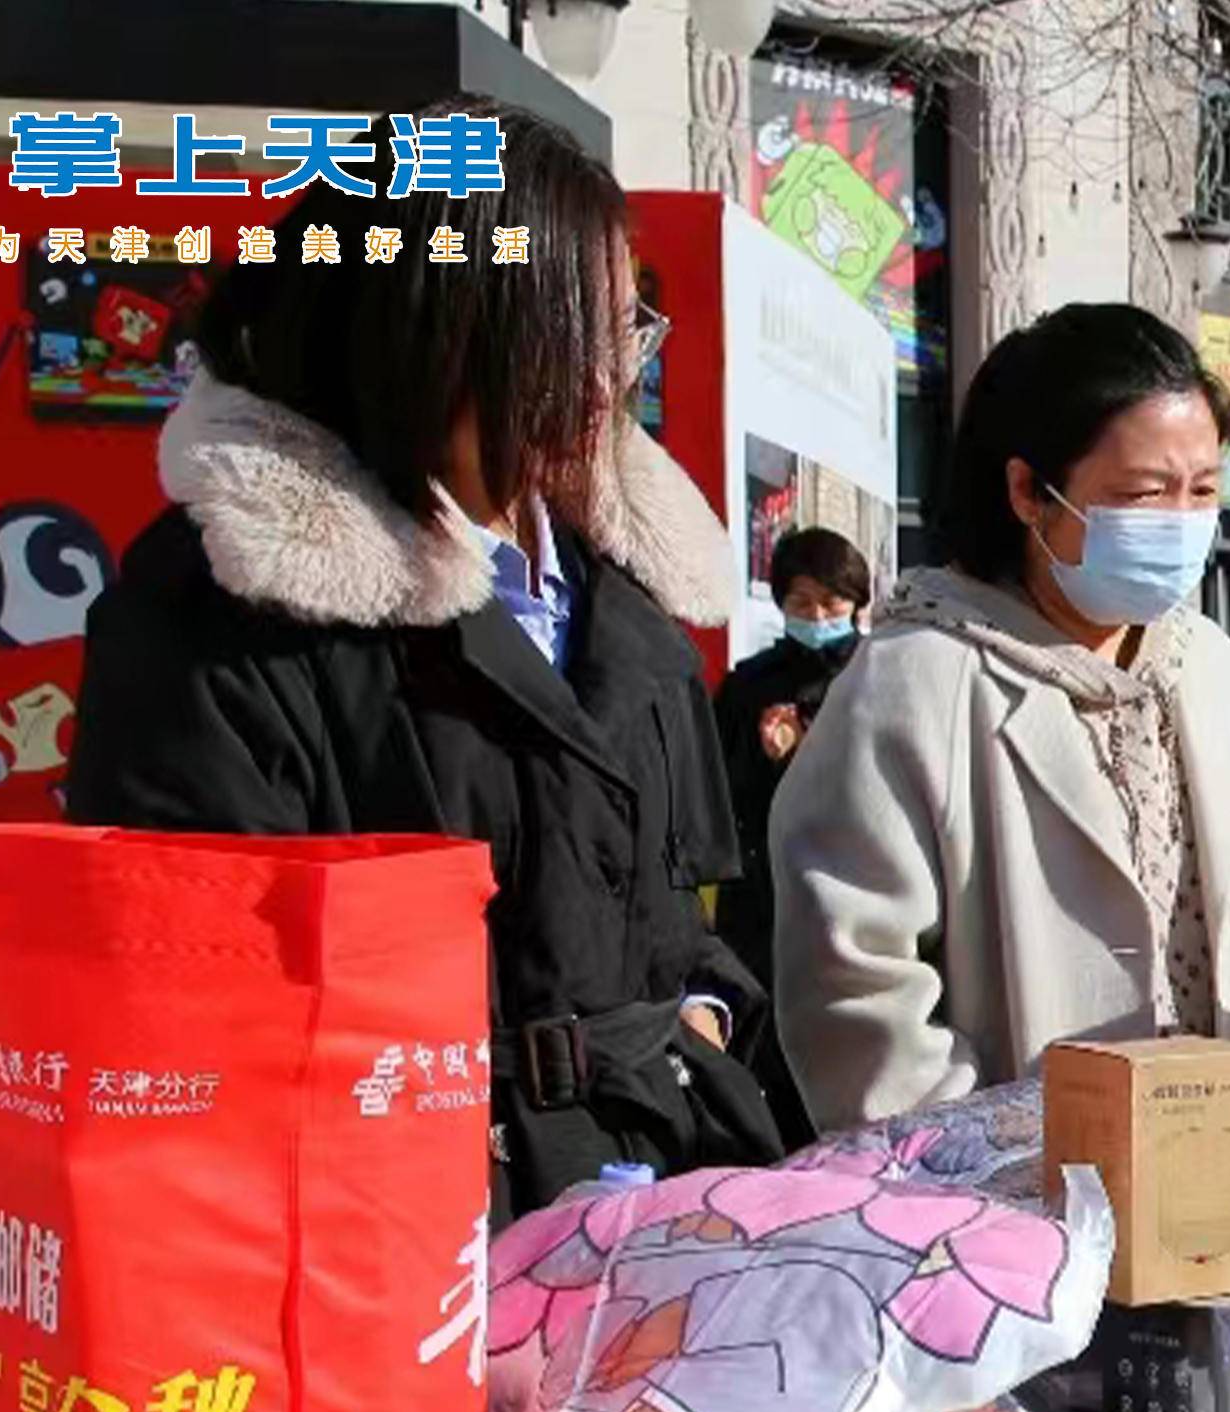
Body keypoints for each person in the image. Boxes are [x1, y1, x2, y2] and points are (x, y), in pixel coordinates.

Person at [68, 104, 780, 1217]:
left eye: (627, 324)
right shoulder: (223, 613)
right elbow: (194, 1011)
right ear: (439, 321)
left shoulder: (622, 593)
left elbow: (680, 911)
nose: (613, 374)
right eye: (575, 329)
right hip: (404, 1243)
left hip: (669, 1210)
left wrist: (702, 1019)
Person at [770, 305, 1230, 1129]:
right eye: (1140, 494)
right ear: (1028, 491)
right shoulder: (918, 680)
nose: (1179, 523)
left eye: (1201, 490)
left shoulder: (1206, 663)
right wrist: (983, 1160)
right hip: (1019, 1210)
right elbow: (851, 978)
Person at [711, 526, 876, 997]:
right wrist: (765, 762)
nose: (818, 616)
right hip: (763, 901)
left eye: (832, 602)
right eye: (802, 603)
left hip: (856, 893)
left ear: (856, 602)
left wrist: (808, 755)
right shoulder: (749, 684)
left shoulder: (879, 674)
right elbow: (719, 790)